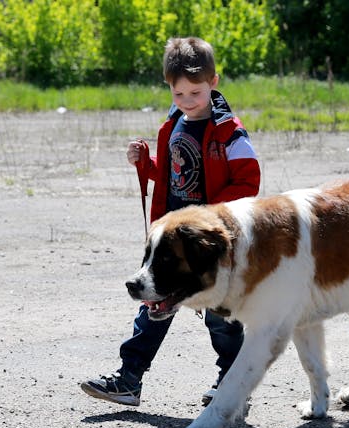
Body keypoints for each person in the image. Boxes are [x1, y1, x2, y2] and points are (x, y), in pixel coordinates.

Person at [80, 36, 260, 407]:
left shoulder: (230, 132)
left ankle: (233, 385)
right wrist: (145, 164)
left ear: (213, 82)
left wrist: (208, 215)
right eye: (179, 94)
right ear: (170, 88)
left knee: (220, 317)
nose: (187, 101)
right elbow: (174, 176)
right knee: (152, 305)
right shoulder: (173, 125)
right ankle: (129, 380)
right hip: (172, 240)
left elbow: (249, 181)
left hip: (211, 241)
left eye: (195, 92)